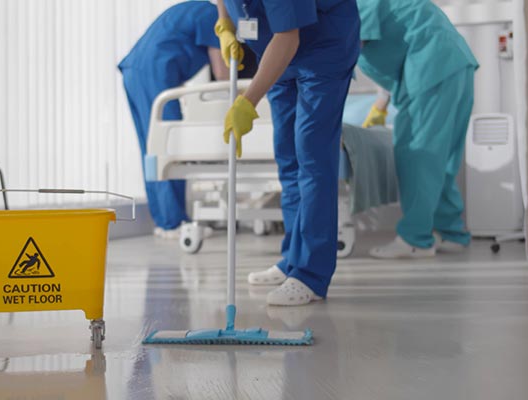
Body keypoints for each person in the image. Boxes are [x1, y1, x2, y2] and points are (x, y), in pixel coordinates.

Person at [215, 0, 360, 305]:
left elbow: (288, 36)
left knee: (312, 158)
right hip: (276, 50)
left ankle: (310, 275)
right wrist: (225, 23)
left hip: (323, 48)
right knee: (288, 158)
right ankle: (293, 258)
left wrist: (247, 101)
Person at [355, 0, 479, 259]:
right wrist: (380, 105)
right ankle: (450, 232)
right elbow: (394, 40)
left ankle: (416, 239)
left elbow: (348, 48)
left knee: (417, 155)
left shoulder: (349, 4)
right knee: (441, 158)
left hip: (429, 64)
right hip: (454, 62)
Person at [118, 1, 229, 239]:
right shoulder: (214, 16)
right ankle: (173, 223)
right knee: (168, 146)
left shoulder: (198, 10)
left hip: (141, 72)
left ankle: (165, 220)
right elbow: (223, 74)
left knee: (153, 148)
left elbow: (172, 47)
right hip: (154, 74)